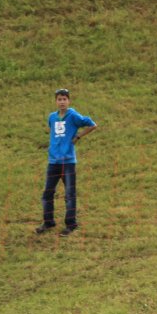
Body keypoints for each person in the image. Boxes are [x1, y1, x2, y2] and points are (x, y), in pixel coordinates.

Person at [36, 87, 99, 236]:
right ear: (56, 101)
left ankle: (71, 224)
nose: (62, 102)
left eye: (64, 99)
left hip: (68, 162)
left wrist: (78, 137)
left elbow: (92, 125)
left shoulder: (73, 116)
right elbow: (53, 133)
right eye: (59, 99)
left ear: (69, 101)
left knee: (69, 194)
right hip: (53, 161)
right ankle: (48, 222)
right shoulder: (52, 117)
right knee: (47, 193)